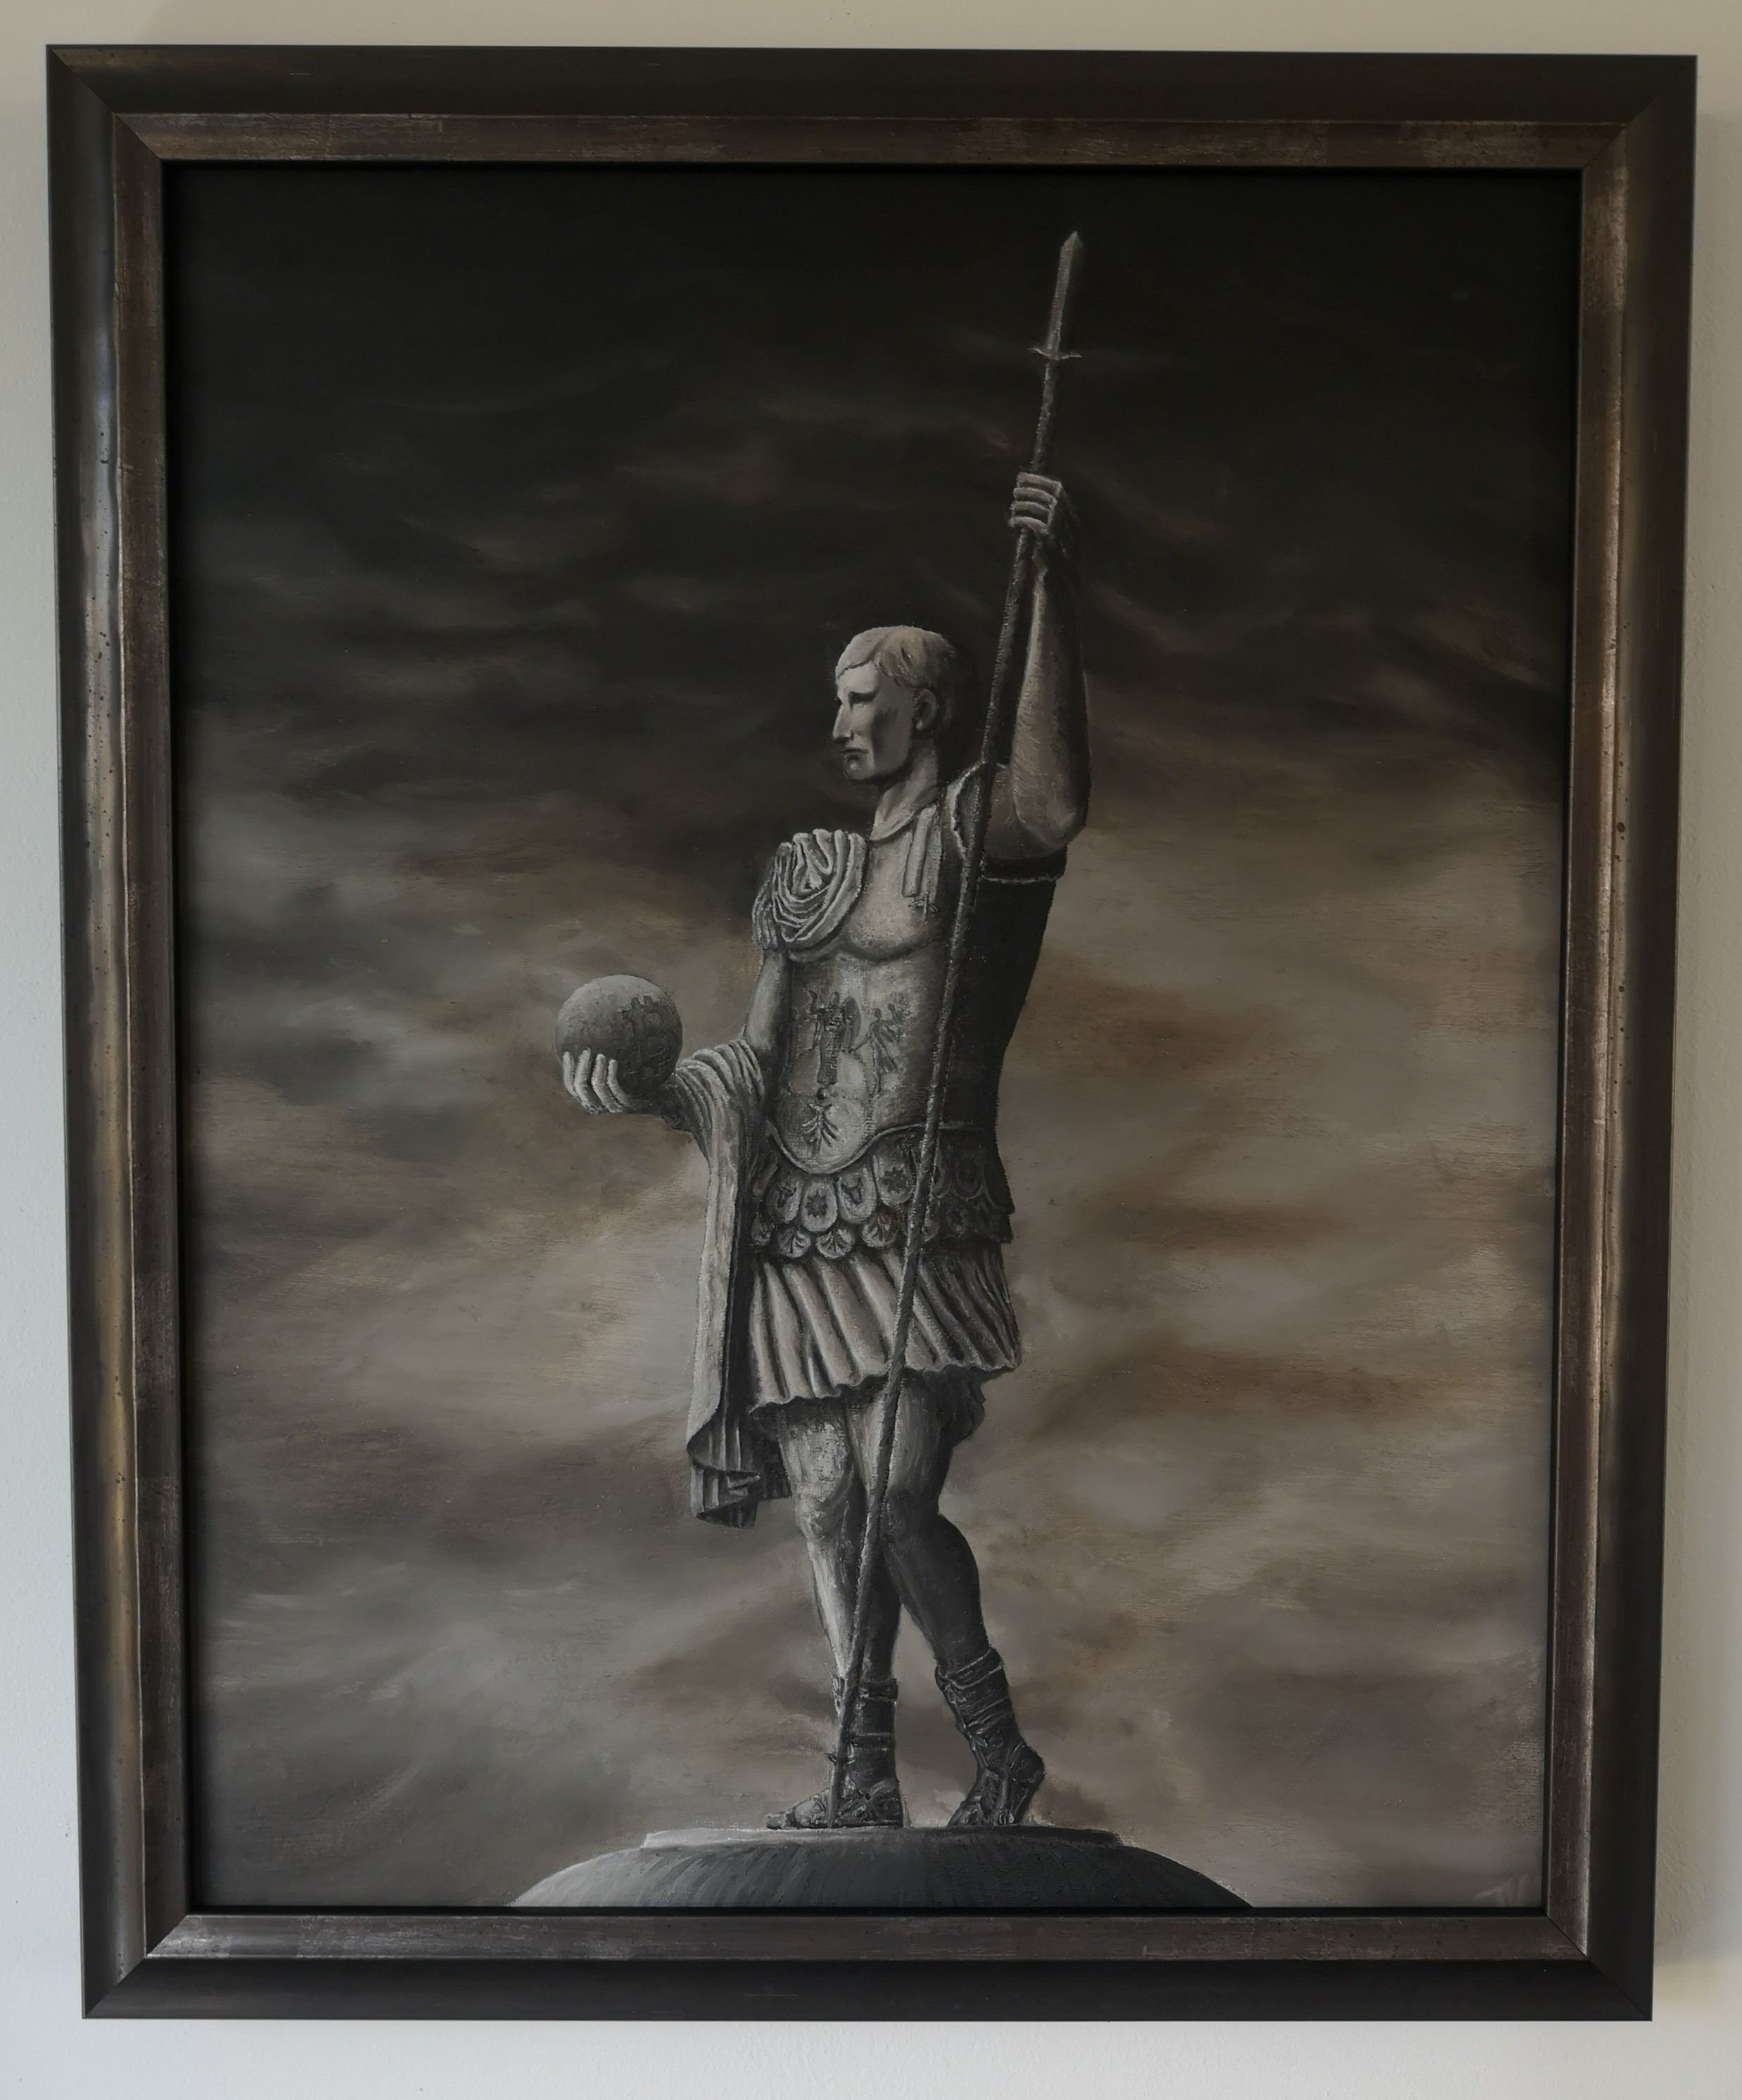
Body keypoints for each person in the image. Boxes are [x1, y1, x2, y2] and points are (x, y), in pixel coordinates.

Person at [564, 472, 1088, 1830]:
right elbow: (760, 1061)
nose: (844, 722)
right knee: (827, 1507)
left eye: (865, 699)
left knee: (901, 1495)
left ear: (928, 706)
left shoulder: (971, 834)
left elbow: (1055, 802)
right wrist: (655, 1093)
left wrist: (1047, 590)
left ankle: (998, 1749)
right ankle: (861, 1776)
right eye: (840, 701)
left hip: (916, 1208)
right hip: (800, 1224)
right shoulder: (810, 873)